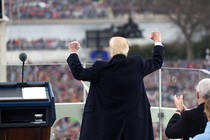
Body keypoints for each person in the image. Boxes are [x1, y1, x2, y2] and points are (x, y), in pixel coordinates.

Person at [67, 31, 165, 140]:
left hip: (106, 125)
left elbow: (79, 73)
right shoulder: (136, 64)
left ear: (111, 50)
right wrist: (157, 41)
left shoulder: (100, 68)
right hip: (134, 124)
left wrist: (73, 52)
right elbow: (157, 61)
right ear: (127, 49)